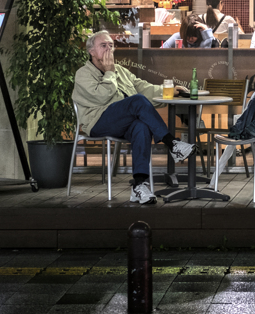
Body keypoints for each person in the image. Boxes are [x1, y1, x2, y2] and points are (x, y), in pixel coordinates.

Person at [73, 31, 195, 205]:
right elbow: (101, 96)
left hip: (123, 122)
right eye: (103, 46)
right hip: (97, 122)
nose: (109, 49)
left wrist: (170, 90)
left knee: (141, 126)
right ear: (91, 51)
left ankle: (139, 186)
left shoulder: (120, 70)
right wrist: (109, 73)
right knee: (136, 100)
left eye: (111, 45)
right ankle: (172, 144)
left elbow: (143, 88)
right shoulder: (83, 74)